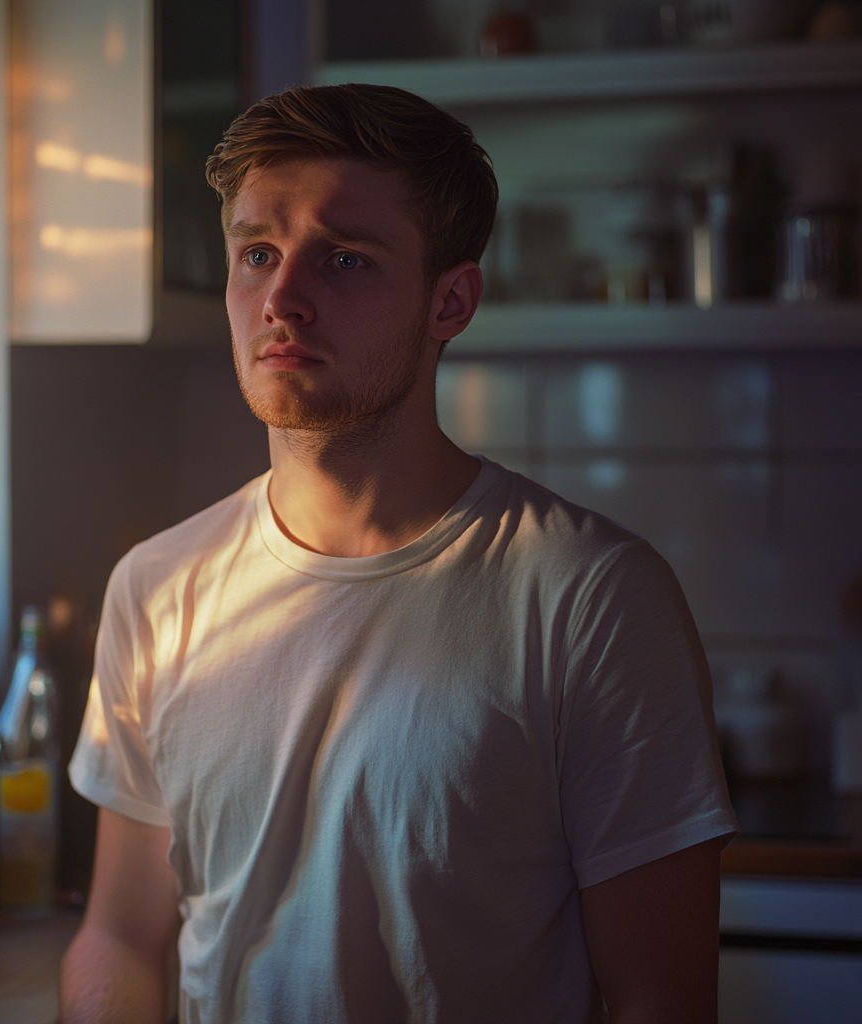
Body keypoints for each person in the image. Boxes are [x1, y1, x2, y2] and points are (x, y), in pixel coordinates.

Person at [60, 83, 736, 1024]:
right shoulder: (157, 586)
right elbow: (122, 936)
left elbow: (660, 1002)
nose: (281, 298)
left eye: (344, 259)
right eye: (257, 252)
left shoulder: (591, 598)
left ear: (450, 300)